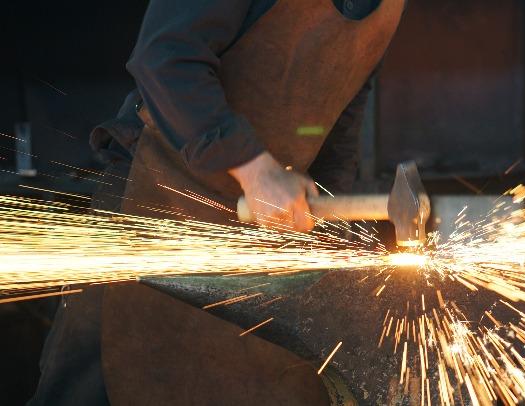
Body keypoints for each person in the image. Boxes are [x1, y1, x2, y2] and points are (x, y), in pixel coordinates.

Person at [29, 0, 404, 404]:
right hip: (152, 208)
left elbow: (339, 118)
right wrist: (254, 169)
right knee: (94, 385)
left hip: (258, 228)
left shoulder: (383, 7)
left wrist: (324, 218)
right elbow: (164, 58)